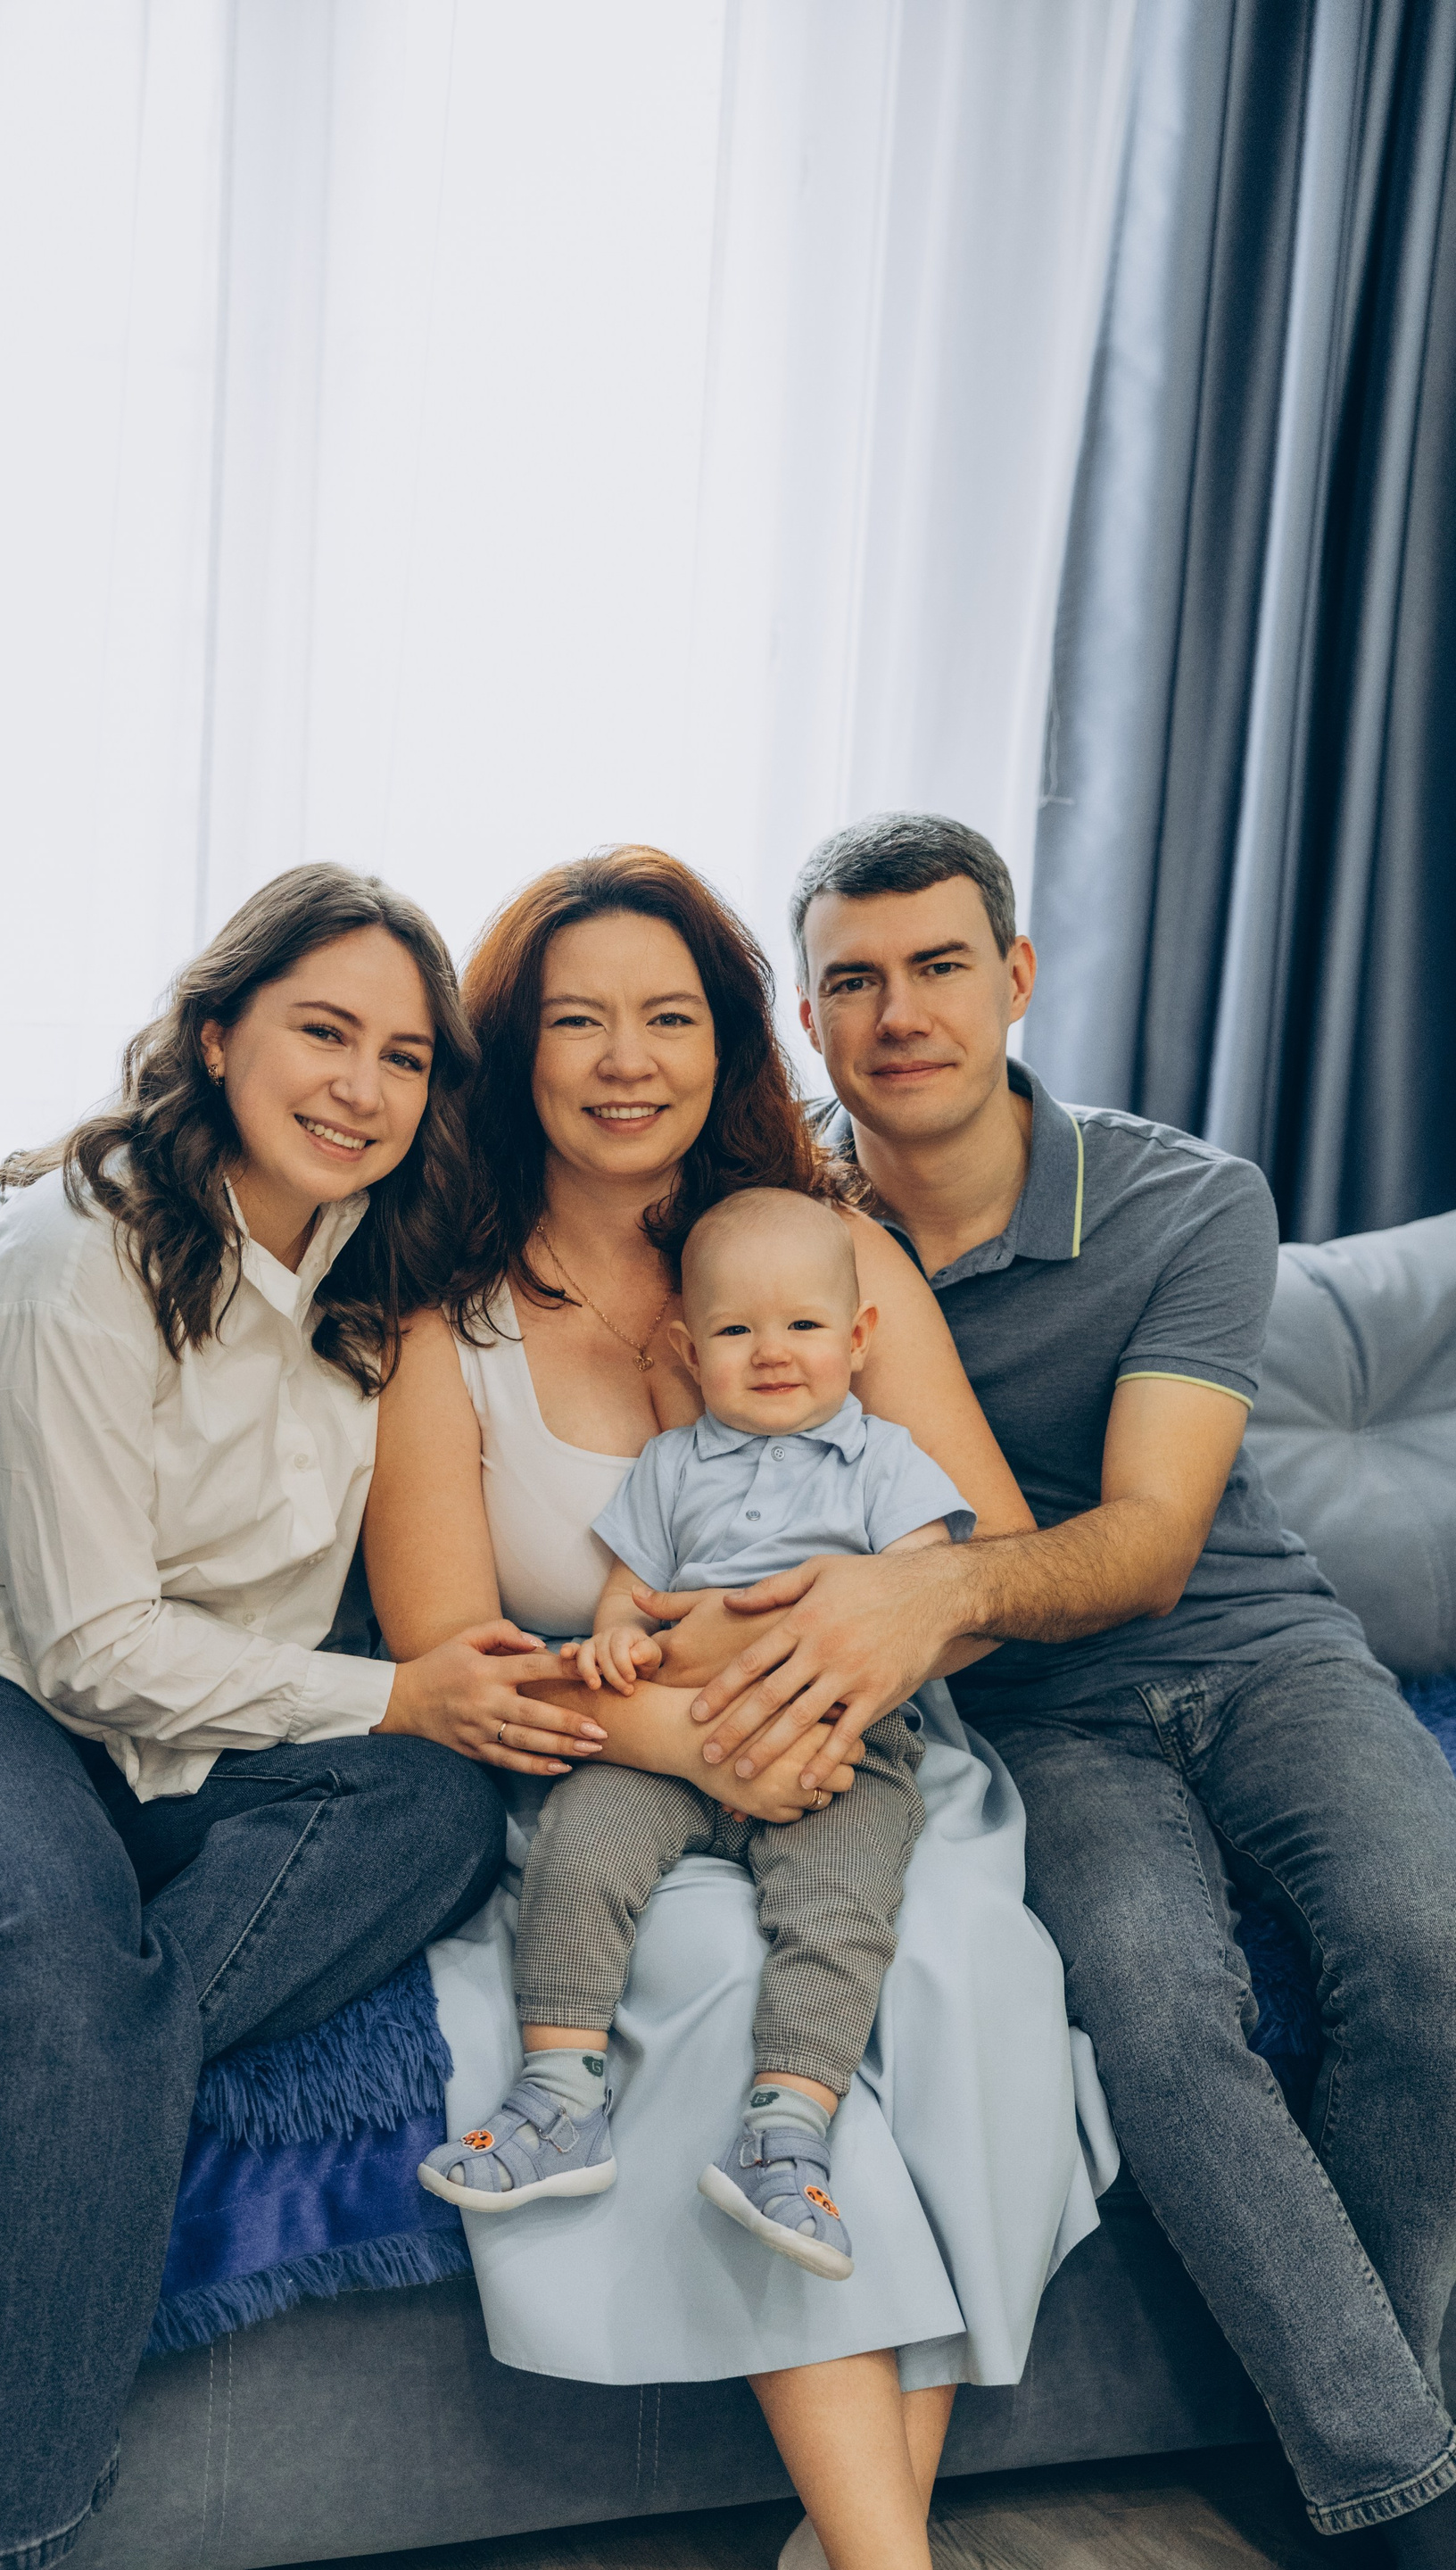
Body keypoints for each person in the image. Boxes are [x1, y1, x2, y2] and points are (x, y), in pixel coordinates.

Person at [0, 866, 575, 2570]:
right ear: (215, 1035)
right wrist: (398, 1689)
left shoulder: (375, 1280)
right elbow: (90, 1647)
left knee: (432, 1809)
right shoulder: (74, 1254)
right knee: (55, 1960)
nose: (361, 1087)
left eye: (404, 1057)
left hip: (172, 1728)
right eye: (323, 1032)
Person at [682, 810, 1456, 2561]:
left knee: (1435, 1948)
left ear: (1017, 975)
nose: (899, 1015)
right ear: (806, 1015)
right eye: (852, 982)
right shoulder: (776, 1229)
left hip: (1256, 1648)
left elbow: (1154, 1545)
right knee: (1155, 2011)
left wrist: (933, 1582)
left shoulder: (1188, 1200)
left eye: (941, 967)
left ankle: (1370, 2445)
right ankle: (1402, 2495)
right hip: (1029, 1715)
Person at [364, 848, 1113, 2570]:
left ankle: (857, 2548)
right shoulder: (443, 1323)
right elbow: (451, 1653)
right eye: (579, 1022)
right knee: (710, 1980)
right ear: (514, 1053)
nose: (628, 1060)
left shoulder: (832, 1255)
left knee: (960, 1970)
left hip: (867, 1753)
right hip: (599, 1775)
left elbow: (985, 1572)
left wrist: (850, 1662)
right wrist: (687, 1732)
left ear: (729, 1041)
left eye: (671, 1017)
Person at [418, 1187, 974, 2287]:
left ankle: (788, 2132)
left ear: (859, 1338)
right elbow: (628, 1598)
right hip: (675, 1729)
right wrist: (621, 1645)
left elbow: (922, 1600)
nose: (772, 1352)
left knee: (841, 1907)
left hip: (837, 1742)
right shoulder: (671, 1465)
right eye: (735, 1330)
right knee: (580, 1849)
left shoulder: (887, 1461)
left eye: (804, 1325)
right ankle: (559, 2097)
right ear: (687, 1348)